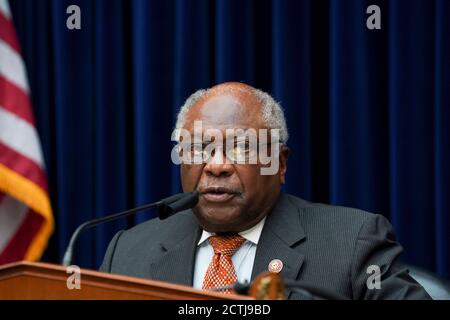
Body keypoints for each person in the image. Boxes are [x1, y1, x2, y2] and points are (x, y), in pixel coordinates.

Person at [100, 82, 430, 299]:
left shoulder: (352, 244)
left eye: (241, 147)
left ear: (280, 163)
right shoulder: (128, 254)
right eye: (200, 147)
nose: (217, 165)